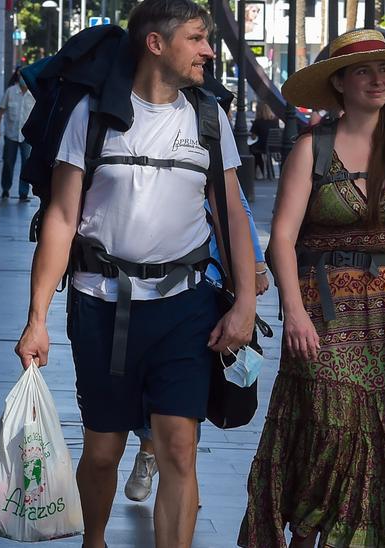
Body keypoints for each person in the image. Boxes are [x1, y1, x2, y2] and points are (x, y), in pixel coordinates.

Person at [13, 2, 259, 547]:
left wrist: (245, 304)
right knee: (102, 452)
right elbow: (60, 217)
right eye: (197, 39)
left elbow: (232, 215)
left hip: (185, 309)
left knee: (177, 447)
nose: (208, 51)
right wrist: (36, 319)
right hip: (101, 305)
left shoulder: (208, 117)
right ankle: (93, 541)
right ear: (155, 44)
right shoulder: (93, 115)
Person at [239, 29, 385, 547]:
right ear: (338, 82)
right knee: (328, 435)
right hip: (326, 312)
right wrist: (293, 313)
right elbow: (284, 239)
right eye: (364, 70)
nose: (377, 79)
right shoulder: (311, 149)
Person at [124, 186, 270, 503]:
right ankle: (151, 452)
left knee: (189, 390)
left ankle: (181, 475)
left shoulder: (208, 141)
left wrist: (255, 264)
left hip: (207, 280)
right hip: (152, 282)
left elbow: (237, 204)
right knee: (155, 385)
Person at [0, 68, 36, 201]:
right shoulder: (10, 92)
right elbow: (0, 111)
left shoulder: (33, 94)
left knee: (26, 165)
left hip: (27, 137)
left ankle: (23, 193)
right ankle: (5, 189)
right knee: (8, 163)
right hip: (11, 135)